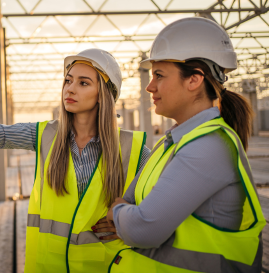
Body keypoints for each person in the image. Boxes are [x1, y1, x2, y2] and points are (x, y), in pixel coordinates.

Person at [0, 48, 150, 273]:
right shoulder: (44, 135)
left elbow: (164, 206)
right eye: (68, 80)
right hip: (50, 266)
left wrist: (131, 222)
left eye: (83, 83)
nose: (70, 88)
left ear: (104, 94)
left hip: (105, 267)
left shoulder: (134, 148)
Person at [93, 18, 266, 272]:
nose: (150, 87)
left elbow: (143, 228)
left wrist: (119, 213)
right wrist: (126, 215)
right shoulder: (170, 143)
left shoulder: (209, 146)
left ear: (194, 80)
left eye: (159, 76)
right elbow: (130, 201)